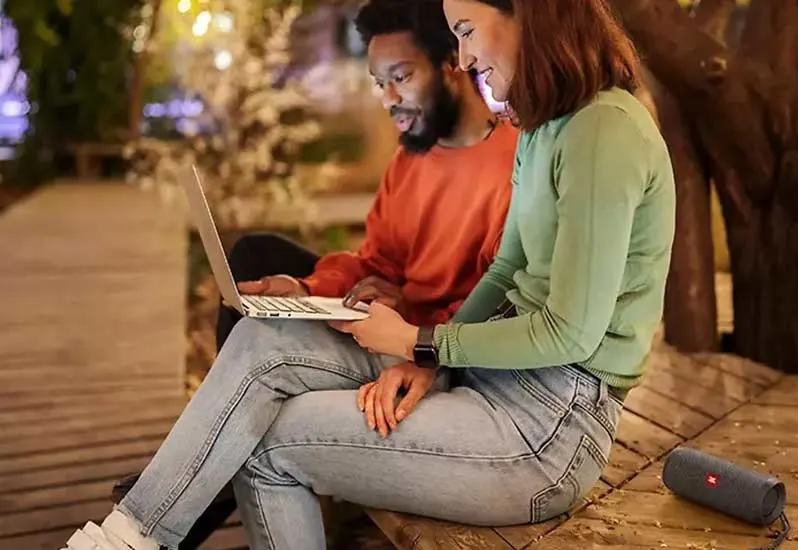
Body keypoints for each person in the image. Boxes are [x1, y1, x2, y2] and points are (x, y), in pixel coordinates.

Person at [63, 0, 675, 548]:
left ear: (529, 14)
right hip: (487, 373)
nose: (463, 54)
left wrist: (420, 341)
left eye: (465, 30)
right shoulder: (545, 128)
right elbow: (509, 269)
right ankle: (127, 536)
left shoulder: (604, 130)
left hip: (549, 428)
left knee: (268, 447)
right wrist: (428, 360)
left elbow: (571, 333)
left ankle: (137, 533)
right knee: (261, 339)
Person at [105, 0, 517, 548]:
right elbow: (377, 262)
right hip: (380, 330)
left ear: (452, 62)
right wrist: (303, 289)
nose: (388, 98)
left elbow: (495, 304)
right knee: (258, 271)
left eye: (401, 77)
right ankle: (156, 519)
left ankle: (159, 517)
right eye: (379, 82)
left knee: (261, 357)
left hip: (430, 358)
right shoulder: (413, 159)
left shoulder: (514, 165)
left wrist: (408, 319)